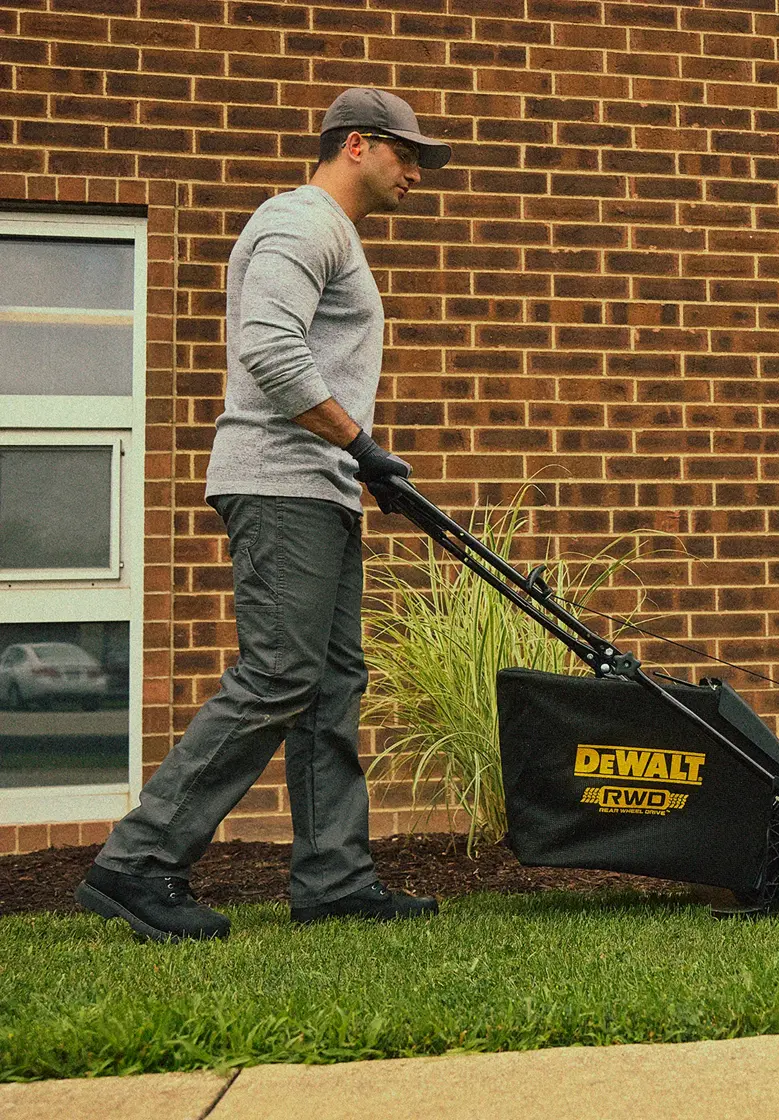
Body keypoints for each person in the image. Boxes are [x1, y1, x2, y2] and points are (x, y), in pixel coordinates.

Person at [77, 89, 453, 942]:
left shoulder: (330, 234)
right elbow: (269, 347)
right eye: (408, 154)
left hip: (318, 483)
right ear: (356, 144)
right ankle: (139, 861)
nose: (417, 174)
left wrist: (357, 462)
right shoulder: (300, 223)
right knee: (280, 674)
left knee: (329, 686)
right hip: (283, 480)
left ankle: (334, 877)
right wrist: (359, 443)